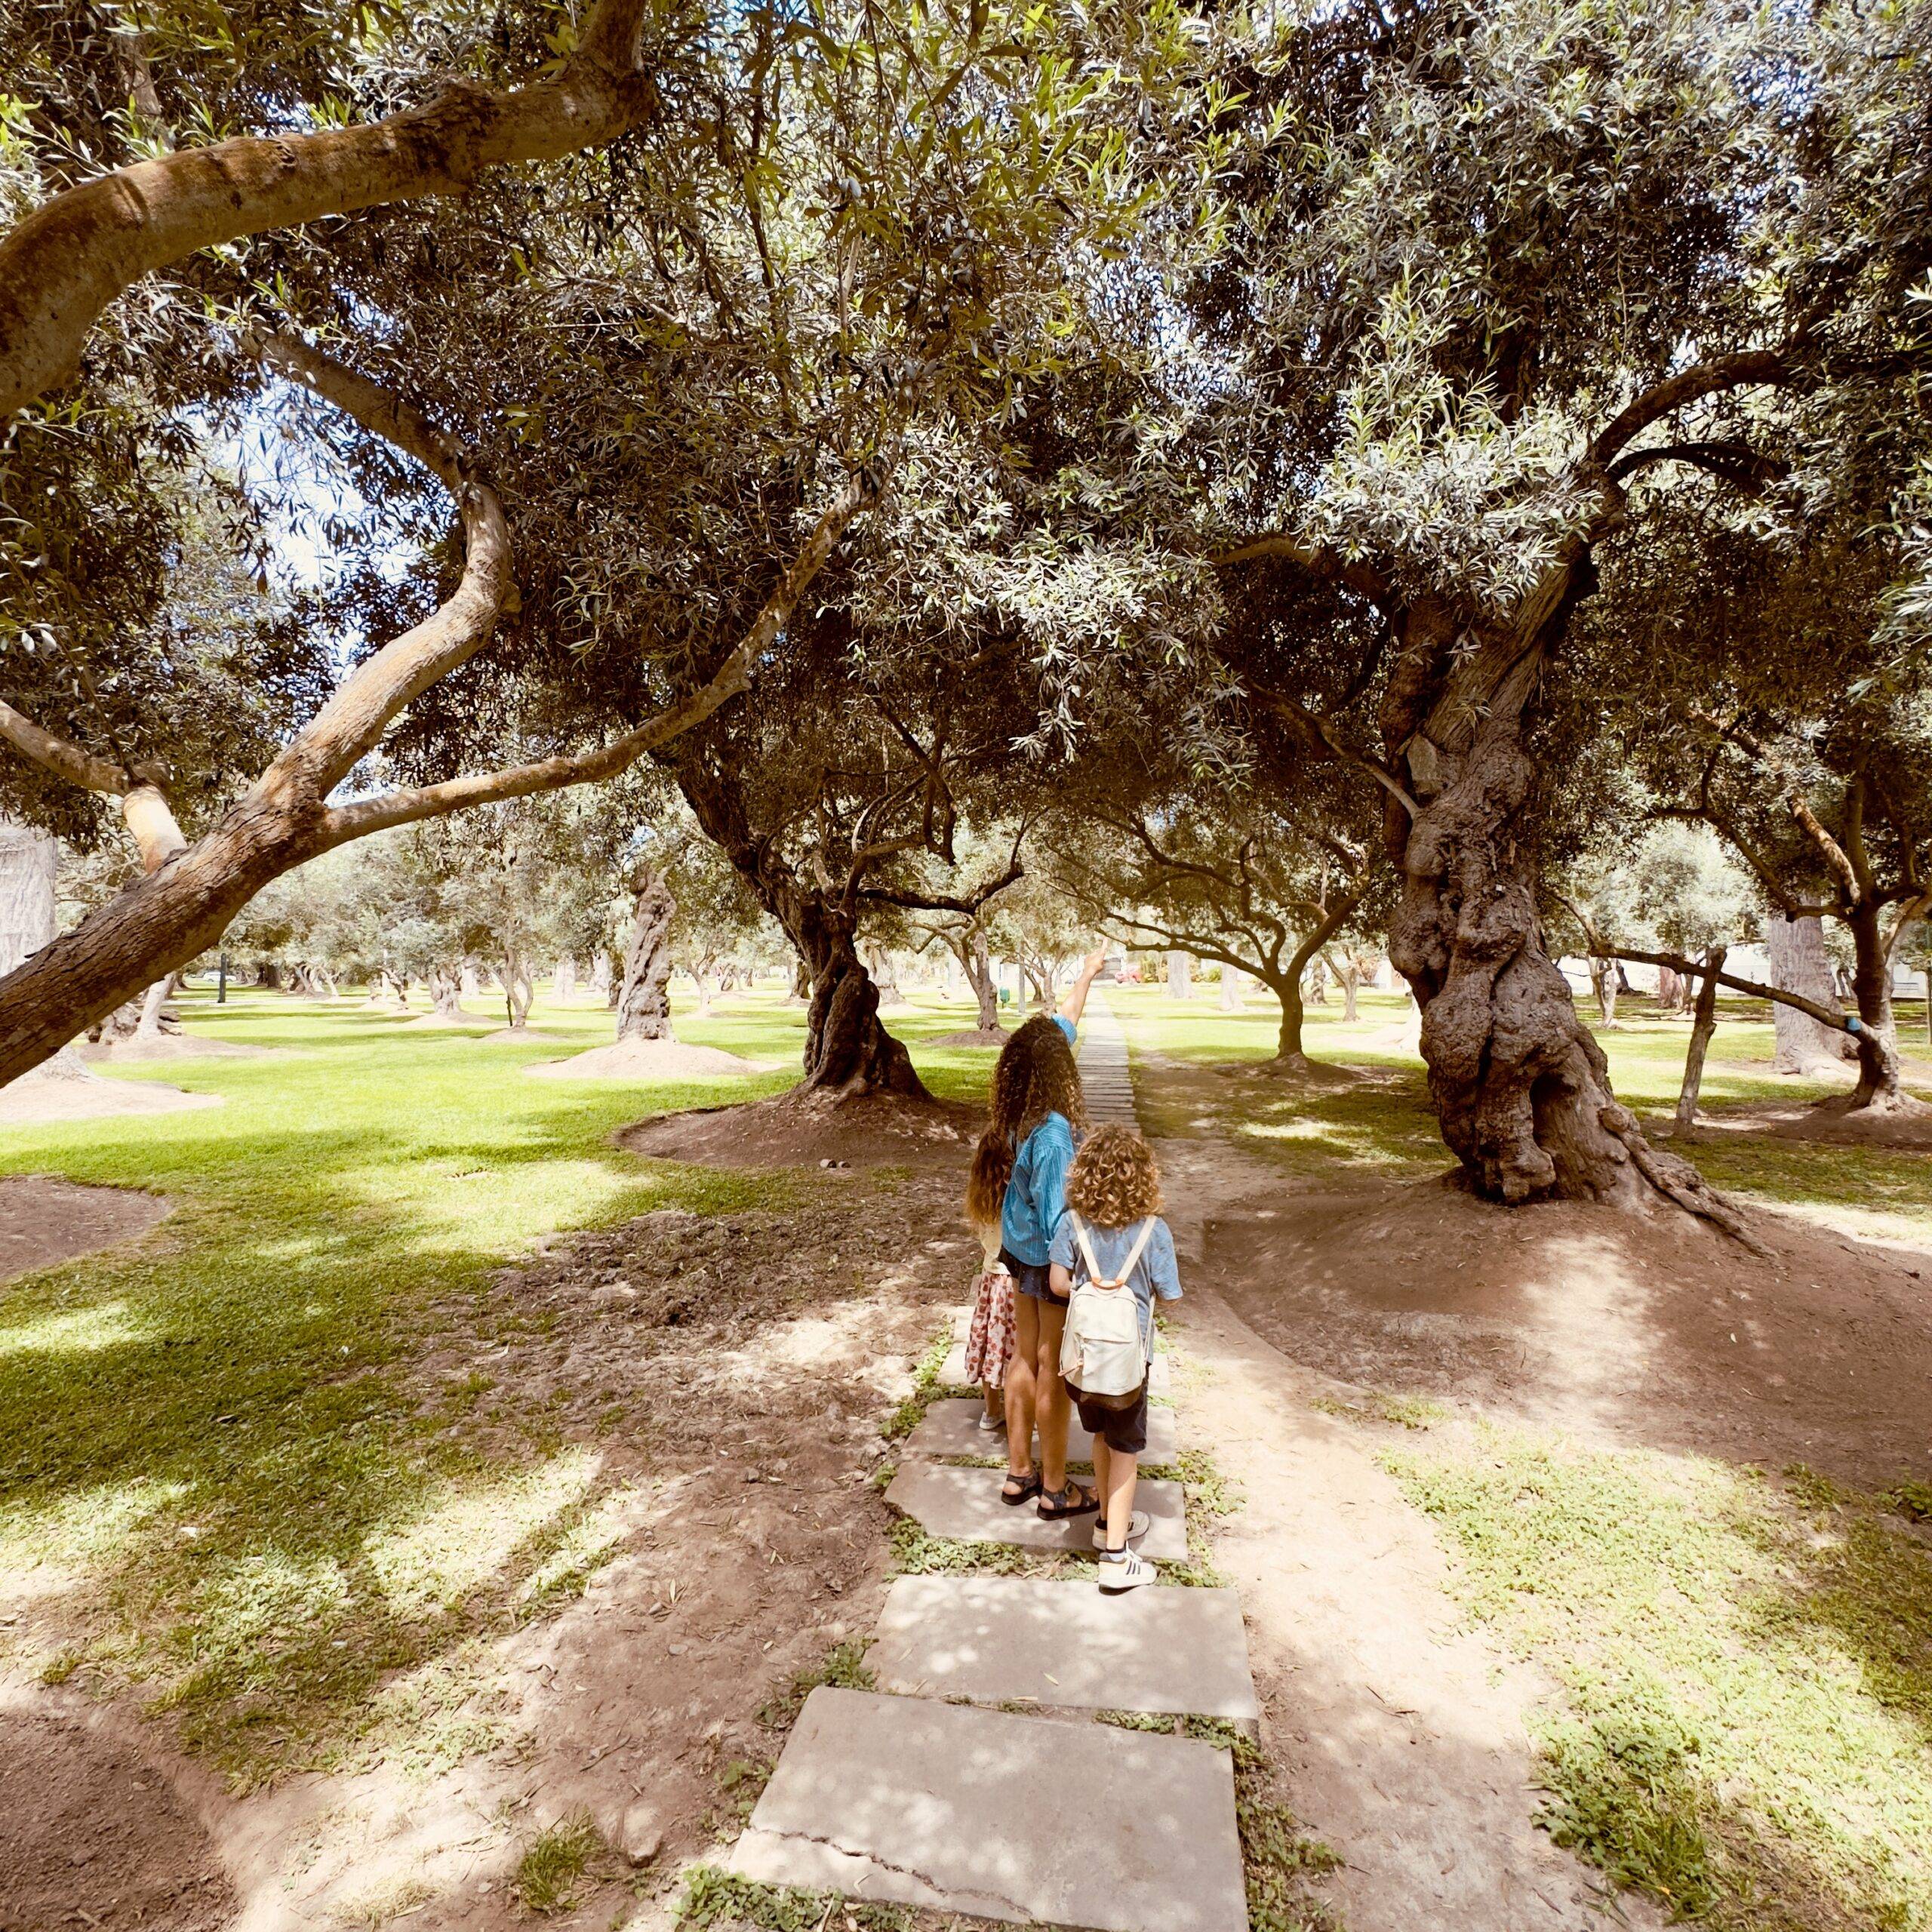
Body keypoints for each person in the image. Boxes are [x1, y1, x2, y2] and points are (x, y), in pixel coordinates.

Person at [965, 943, 1109, 1520]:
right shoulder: (1051, 1135)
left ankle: (1017, 1473)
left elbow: (1066, 1022)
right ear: (1058, 1071)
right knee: (1052, 1364)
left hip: (1016, 1255)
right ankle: (1055, 1487)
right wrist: (1080, 1274)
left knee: (1023, 1361)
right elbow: (1058, 1220)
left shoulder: (1017, 1115)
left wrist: (1087, 974)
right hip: (1047, 1264)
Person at [1049, 1124, 1181, 1592]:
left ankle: (1109, 1521)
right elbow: (1168, 1293)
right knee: (1127, 1448)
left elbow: (1058, 1284)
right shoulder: (1155, 1231)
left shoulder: (1072, 1222)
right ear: (1143, 1175)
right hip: (1128, 1361)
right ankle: (1116, 1557)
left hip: (1085, 1360)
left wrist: (1090, 1287)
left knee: (1102, 1439)